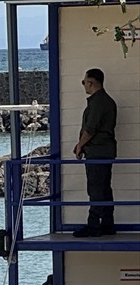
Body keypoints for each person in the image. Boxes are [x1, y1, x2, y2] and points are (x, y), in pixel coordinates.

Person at [72, 68, 117, 238]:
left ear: (91, 83)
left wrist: (79, 146)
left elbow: (90, 129)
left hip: (98, 151)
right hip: (105, 150)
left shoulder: (98, 103)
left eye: (84, 82)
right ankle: (107, 223)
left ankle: (93, 225)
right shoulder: (106, 101)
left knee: (96, 188)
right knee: (104, 188)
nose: (84, 85)